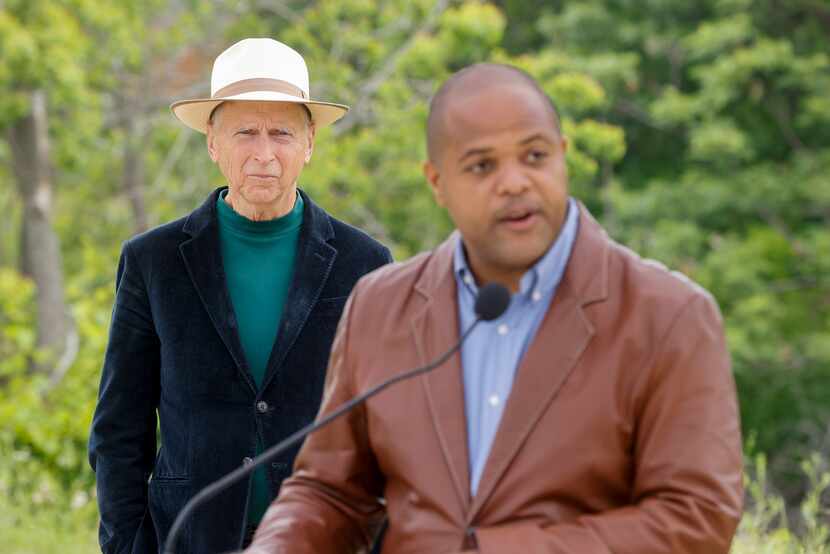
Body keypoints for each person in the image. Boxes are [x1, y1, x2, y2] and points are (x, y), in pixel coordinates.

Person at [245, 63, 744, 554]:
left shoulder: (670, 316)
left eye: (534, 156)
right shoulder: (380, 305)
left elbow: (696, 518)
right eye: (482, 166)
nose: (514, 183)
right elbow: (333, 493)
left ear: (563, 157)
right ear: (437, 183)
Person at [87, 38, 392, 554]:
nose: (264, 154)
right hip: (188, 539)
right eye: (245, 133)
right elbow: (119, 430)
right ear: (212, 142)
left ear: (310, 142)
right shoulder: (153, 261)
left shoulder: (365, 264)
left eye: (282, 134)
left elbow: (389, 428)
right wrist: (127, 545)